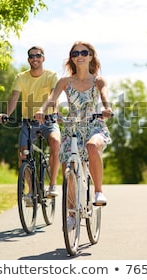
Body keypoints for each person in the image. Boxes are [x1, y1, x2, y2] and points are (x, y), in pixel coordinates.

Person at [35, 41, 113, 206]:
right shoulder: (65, 81)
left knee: (92, 146)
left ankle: (98, 192)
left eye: (84, 53)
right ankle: (71, 212)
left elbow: (105, 96)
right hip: (72, 127)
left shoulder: (98, 81)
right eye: (75, 54)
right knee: (69, 166)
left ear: (90, 57)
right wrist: (42, 110)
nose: (79, 56)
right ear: (71, 58)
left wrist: (107, 108)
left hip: (94, 125)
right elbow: (51, 98)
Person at [0, 46, 61, 197]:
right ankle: (31, 191)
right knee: (23, 154)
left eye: (38, 55)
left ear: (43, 58)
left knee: (56, 143)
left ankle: (52, 186)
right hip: (28, 122)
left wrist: (50, 112)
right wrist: (6, 113)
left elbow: (54, 97)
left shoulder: (51, 76)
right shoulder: (21, 77)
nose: (34, 58)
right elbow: (14, 98)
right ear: (28, 59)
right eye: (31, 56)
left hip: (48, 121)